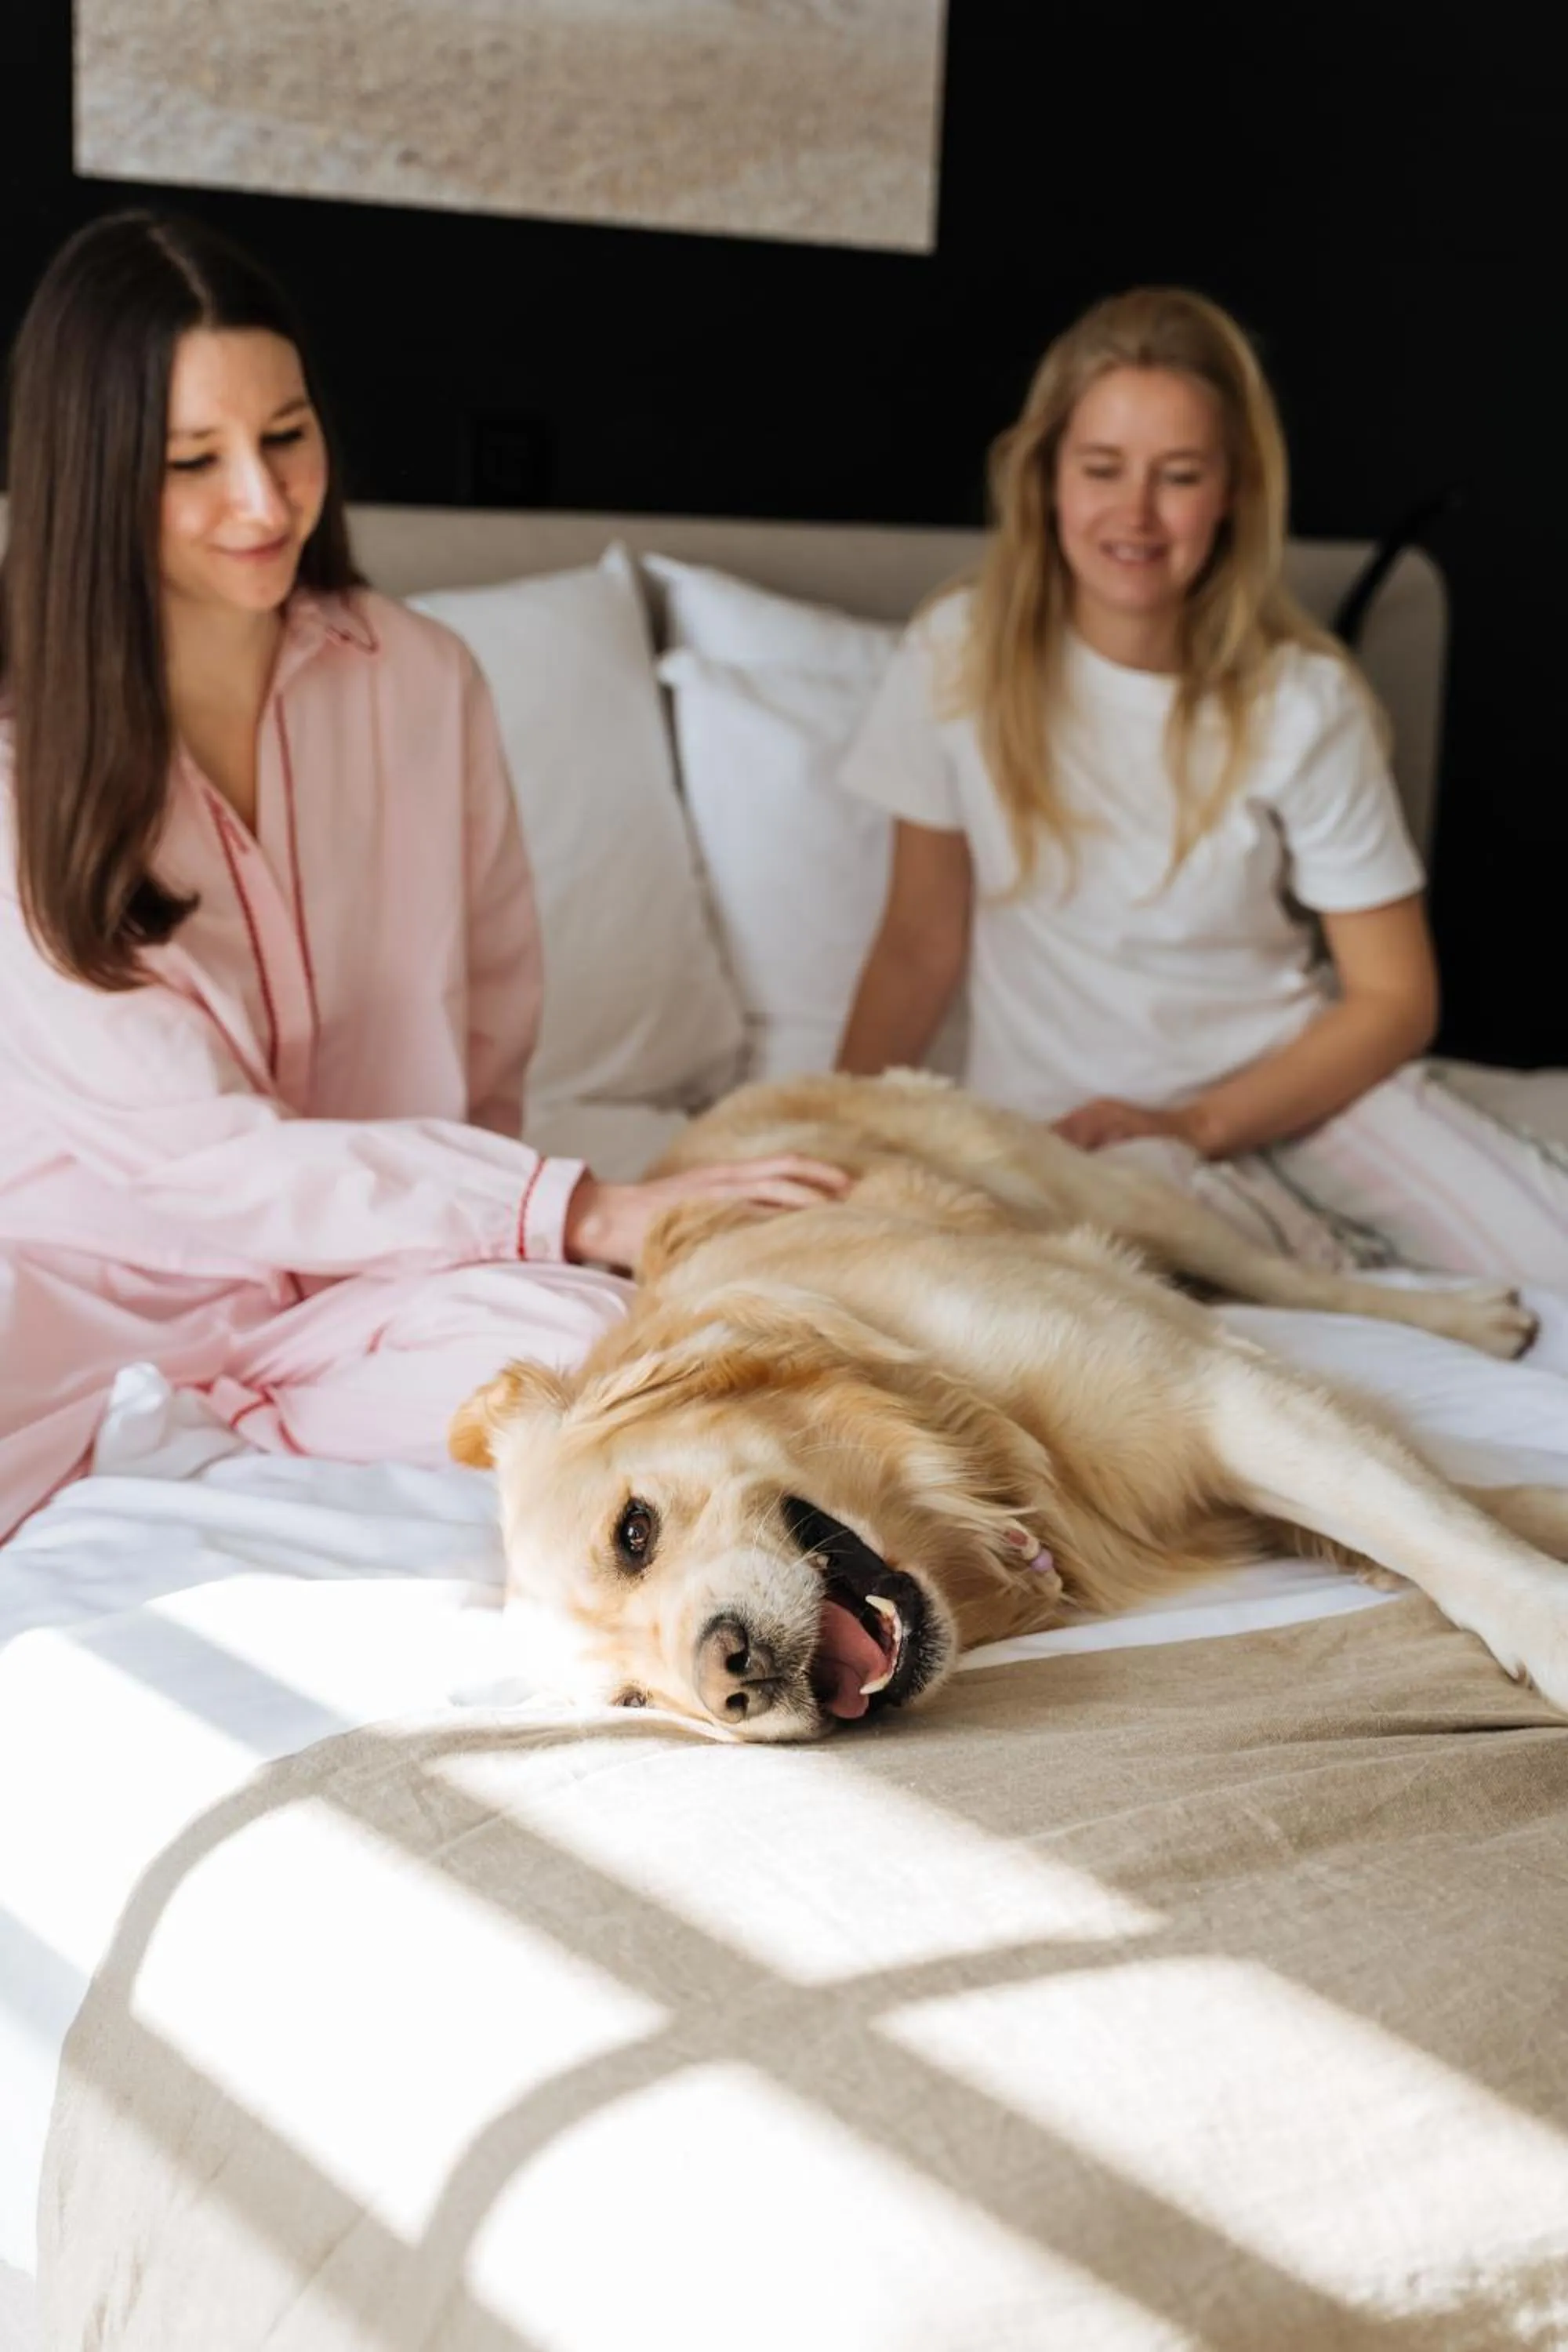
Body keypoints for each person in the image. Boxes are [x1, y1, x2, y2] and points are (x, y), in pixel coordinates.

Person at [0, 211, 846, 1544]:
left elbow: (494, 1010)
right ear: (93, 476)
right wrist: (572, 1204)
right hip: (97, 1286)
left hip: (367, 1292)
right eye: (191, 461)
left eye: (286, 437)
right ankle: (179, 1441)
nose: (265, 503)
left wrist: (507, 1232)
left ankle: (216, 1448)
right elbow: (200, 1162)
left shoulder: (421, 680)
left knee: (588, 1331)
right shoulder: (17, 757)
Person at [837, 285, 1568, 1285]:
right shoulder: (954, 656)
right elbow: (916, 947)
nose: (1133, 513)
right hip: (1075, 1132)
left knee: (1547, 1249)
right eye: (1101, 469)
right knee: (1203, 1313)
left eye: (1177, 476)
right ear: (1046, 477)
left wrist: (1199, 1122)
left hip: (1299, 1093)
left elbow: (1394, 997)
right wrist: (838, 1134)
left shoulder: (1302, 701)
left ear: (1231, 493)